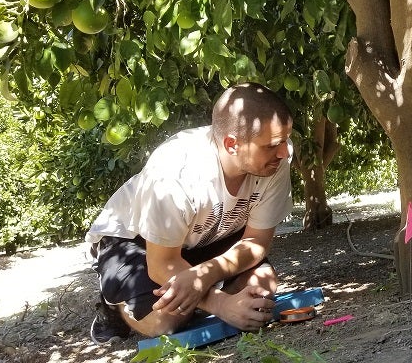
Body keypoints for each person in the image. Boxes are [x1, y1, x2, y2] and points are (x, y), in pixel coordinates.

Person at [85, 82, 295, 343]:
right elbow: (161, 264)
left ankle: (195, 298)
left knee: (262, 286)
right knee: (167, 321)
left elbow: (256, 241)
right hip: (135, 240)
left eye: (285, 140)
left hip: (205, 235)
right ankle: (115, 307)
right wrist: (221, 304)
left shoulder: (275, 160)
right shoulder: (175, 172)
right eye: (272, 145)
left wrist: (205, 275)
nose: (284, 152)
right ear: (232, 144)